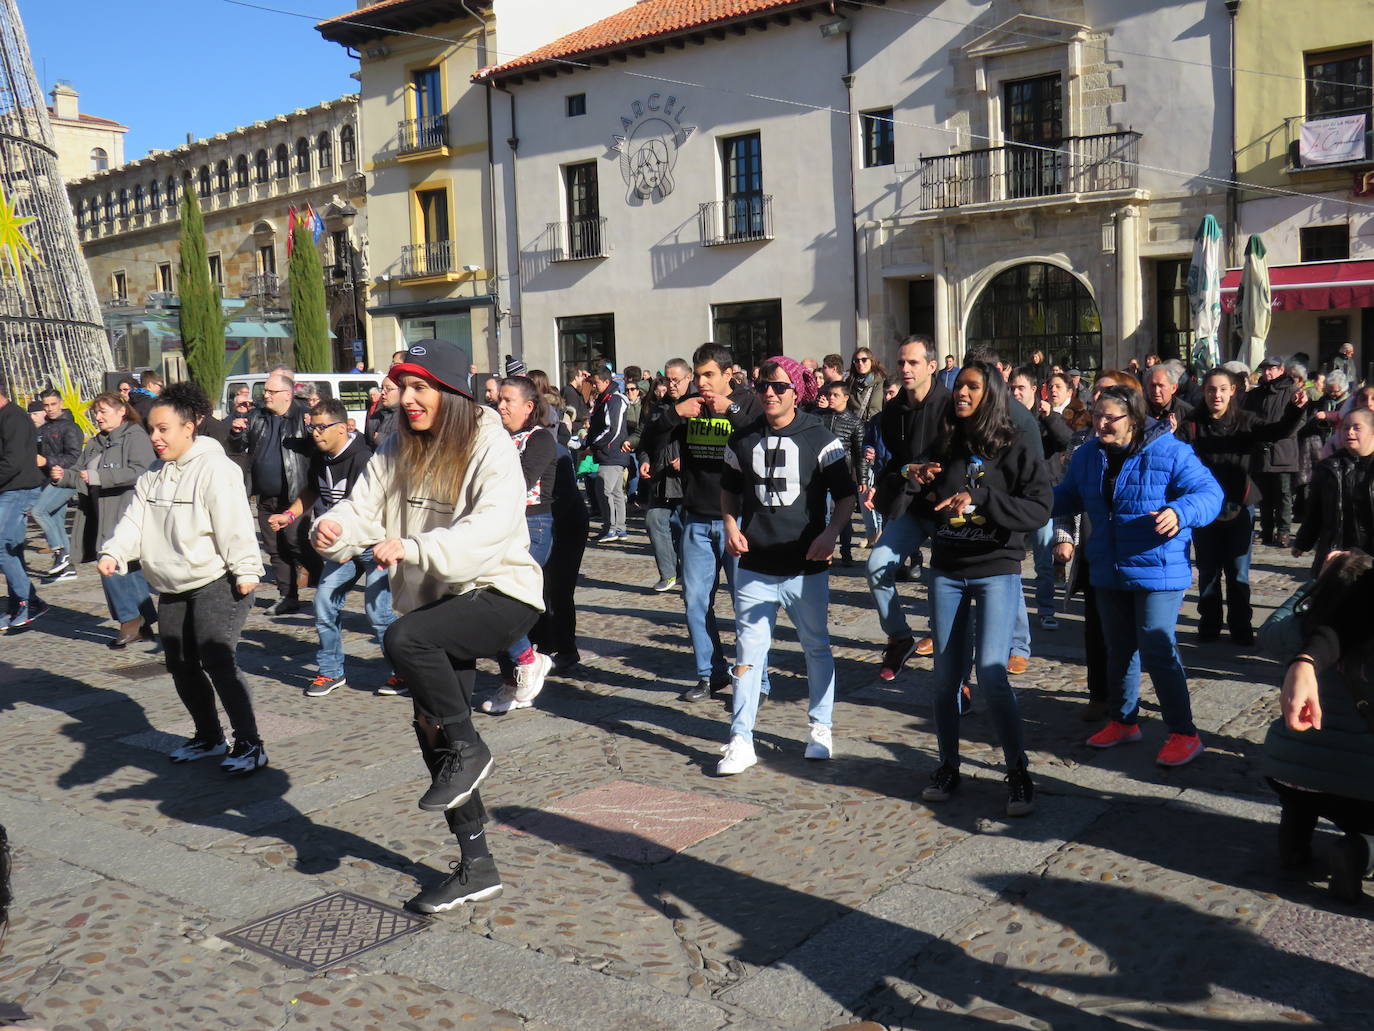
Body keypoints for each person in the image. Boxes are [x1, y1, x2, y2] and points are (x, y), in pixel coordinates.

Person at [312, 339, 544, 914]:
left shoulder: (488, 442)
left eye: (421, 388)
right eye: (402, 387)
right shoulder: (395, 446)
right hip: (440, 602)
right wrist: (332, 528)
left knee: (403, 638)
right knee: (430, 728)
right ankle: (476, 864)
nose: (408, 399)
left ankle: (471, 746)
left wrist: (414, 546)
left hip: (501, 589)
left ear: (452, 392)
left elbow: (491, 528)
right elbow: (362, 507)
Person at [98, 382, 268, 774]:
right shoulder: (153, 476)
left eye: (164, 429)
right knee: (180, 663)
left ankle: (249, 743)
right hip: (172, 586)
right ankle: (209, 737)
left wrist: (246, 569)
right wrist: (114, 552)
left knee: (218, 659)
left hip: (219, 580)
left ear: (189, 427)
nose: (156, 438)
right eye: (152, 430)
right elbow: (134, 523)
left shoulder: (215, 469)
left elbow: (235, 524)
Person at [1055, 383, 1222, 766]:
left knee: (1157, 646)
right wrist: (1023, 503)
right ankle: (1124, 721)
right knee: (1119, 650)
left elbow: (1209, 493)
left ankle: (1184, 732)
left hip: (1158, 566)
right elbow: (1067, 496)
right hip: (1109, 565)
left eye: (1109, 418)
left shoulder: (1169, 450)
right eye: (1096, 416)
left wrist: (1180, 512)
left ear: (1133, 418)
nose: (1100, 425)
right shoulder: (1088, 456)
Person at [915, 359, 1052, 815]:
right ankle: (948, 765)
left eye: (972, 386)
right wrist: (912, 480)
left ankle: (1018, 773)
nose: (961, 393)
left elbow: (1039, 508)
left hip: (997, 568)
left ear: (990, 392)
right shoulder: (946, 437)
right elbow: (924, 502)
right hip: (948, 569)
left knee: (992, 673)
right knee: (944, 679)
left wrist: (984, 497)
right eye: (958, 386)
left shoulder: (1014, 440)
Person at [716, 356, 856, 775]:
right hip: (755, 564)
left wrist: (831, 533)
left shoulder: (820, 436)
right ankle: (740, 739)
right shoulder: (742, 438)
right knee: (747, 652)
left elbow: (846, 494)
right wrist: (729, 524)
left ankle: (820, 727)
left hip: (805, 565)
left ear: (797, 391)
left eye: (778, 387)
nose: (769, 393)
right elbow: (728, 490)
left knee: (815, 645)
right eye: (762, 386)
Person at [641, 342, 764, 702]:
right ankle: (710, 674)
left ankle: (757, 678)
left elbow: (764, 436)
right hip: (695, 519)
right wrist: (675, 414)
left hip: (739, 520)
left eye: (709, 375)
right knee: (695, 601)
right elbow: (648, 439)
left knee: (747, 604)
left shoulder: (750, 402)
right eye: (698, 376)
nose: (702, 382)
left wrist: (732, 410)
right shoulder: (689, 407)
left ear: (729, 374)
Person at [264, 399, 396, 698]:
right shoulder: (319, 454)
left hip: (371, 542)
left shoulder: (364, 458)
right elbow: (312, 489)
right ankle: (331, 671)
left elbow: (367, 507)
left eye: (323, 427)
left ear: (343, 427)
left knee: (378, 611)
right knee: (324, 601)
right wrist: (288, 515)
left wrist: (350, 537)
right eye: (312, 426)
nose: (316, 433)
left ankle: (402, 670)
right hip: (339, 546)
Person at [1267, 549, 1374, 902]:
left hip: (1287, 772)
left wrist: (1314, 583)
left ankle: (1293, 846)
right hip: (1357, 786)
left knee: (1301, 795)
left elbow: (1267, 631)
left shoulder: (1297, 628)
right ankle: (1359, 851)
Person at [1180, 367, 1308, 643]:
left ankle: (1241, 627)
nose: (1217, 395)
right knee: (1208, 569)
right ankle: (1209, 624)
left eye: (1223, 389)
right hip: (1204, 507)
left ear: (1232, 391)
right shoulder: (1191, 424)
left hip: (1241, 503)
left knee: (1238, 571)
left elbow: (1279, 431)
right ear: (1204, 391)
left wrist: (1295, 411)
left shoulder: (1246, 422)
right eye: (1211, 389)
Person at [865, 335, 951, 680]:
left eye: (913, 362)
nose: (905, 369)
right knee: (876, 566)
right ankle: (899, 637)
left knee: (944, 587)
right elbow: (892, 464)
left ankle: (954, 672)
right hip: (910, 507)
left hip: (945, 507)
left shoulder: (950, 405)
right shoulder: (893, 410)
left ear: (932, 366)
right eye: (901, 362)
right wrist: (905, 471)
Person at [51, 392, 158, 648]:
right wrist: (61, 475)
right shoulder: (98, 441)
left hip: (125, 511)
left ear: (122, 411)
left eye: (103, 411)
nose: (98, 417)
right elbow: (80, 472)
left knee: (110, 564)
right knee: (128, 569)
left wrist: (100, 477)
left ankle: (129, 621)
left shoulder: (135, 435)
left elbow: (142, 470)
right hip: (98, 511)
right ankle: (143, 622)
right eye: (96, 412)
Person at [480, 376, 559, 714]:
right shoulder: (495, 438)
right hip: (497, 524)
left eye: (508, 400)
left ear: (529, 407)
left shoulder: (539, 438)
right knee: (484, 598)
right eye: (499, 400)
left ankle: (528, 661)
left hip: (532, 525)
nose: (501, 406)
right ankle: (513, 678)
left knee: (505, 600)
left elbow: (521, 481)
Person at [229, 367, 317, 615]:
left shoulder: (304, 416)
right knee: (274, 547)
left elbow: (320, 445)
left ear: (287, 394)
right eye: (264, 390)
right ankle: (287, 596)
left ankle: (323, 578)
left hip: (296, 494)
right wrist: (236, 431)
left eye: (270, 390)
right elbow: (239, 445)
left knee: (294, 541)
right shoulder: (257, 416)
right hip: (265, 496)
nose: (265, 395)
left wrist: (313, 429)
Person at [529, 387, 588, 674]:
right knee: (537, 587)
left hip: (566, 524)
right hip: (547, 522)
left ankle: (566, 649)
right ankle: (541, 641)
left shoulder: (556, 451)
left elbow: (563, 500)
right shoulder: (525, 446)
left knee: (559, 590)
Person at [1009, 367, 1068, 630]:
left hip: (1042, 498)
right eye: (1012, 388)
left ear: (1034, 390)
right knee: (1011, 559)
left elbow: (1066, 440)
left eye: (1020, 388)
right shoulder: (1008, 418)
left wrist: (1051, 417)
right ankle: (1013, 613)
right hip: (1014, 497)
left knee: (1044, 559)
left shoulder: (1046, 417)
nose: (1015, 393)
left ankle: (1045, 609)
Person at [1293, 409, 1374, 578]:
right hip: (1335, 549)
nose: (1349, 432)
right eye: (1345, 428)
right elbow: (1315, 510)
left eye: (1356, 427)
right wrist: (1303, 542)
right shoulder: (1328, 467)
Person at [0, 378, 48, 631]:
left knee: (2, 546)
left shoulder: (14, 418)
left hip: (18, 489)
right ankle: (22, 602)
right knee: (11, 549)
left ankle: (27, 602)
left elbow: (14, 462)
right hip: (8, 489)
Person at [639, 359, 689, 591]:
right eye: (667, 380)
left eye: (675, 380)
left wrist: (688, 459)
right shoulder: (659, 407)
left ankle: (690, 574)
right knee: (654, 519)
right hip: (661, 477)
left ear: (688, 378)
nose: (671, 385)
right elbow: (646, 440)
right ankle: (669, 574)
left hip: (688, 481)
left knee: (686, 530)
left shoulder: (698, 404)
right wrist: (645, 460)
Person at [27, 388, 84, 580]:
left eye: (53, 404)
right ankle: (67, 567)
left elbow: (75, 456)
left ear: (61, 403)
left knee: (39, 511)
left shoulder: (70, 427)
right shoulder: (43, 430)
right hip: (50, 480)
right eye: (46, 405)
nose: (50, 408)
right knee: (56, 518)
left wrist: (47, 462)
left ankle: (60, 552)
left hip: (67, 478)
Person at [1246, 356, 1302, 547]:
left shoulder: (1292, 390)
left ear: (1281, 370)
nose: (1268, 373)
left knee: (1283, 494)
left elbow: (1299, 420)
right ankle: (1267, 530)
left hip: (1283, 450)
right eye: (1265, 369)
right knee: (1263, 494)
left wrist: (1279, 434)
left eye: (1272, 369)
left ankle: (1284, 532)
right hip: (1261, 451)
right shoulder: (1256, 393)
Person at [817, 381, 865, 566]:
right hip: (820, 472)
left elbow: (860, 453)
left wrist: (862, 478)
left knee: (843, 515)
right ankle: (824, 550)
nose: (831, 398)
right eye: (829, 395)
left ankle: (846, 552)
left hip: (843, 472)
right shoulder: (819, 417)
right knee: (823, 513)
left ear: (846, 397)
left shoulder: (854, 422)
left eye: (835, 395)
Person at [587, 367, 632, 543]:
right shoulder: (606, 398)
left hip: (611, 453)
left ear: (606, 382)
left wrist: (594, 445)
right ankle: (618, 528)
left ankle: (612, 528)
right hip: (610, 452)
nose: (594, 386)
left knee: (605, 491)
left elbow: (612, 429)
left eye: (596, 383)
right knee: (614, 492)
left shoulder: (614, 400)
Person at [1144, 360, 1192, 432]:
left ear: (1173, 388)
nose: (1156, 391)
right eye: (1153, 386)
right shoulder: (1138, 410)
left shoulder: (1187, 414)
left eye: (1161, 386)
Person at [846, 348, 888, 424]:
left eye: (864, 360)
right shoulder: (850, 383)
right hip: (856, 429)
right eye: (856, 361)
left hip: (875, 427)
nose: (860, 363)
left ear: (871, 361)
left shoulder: (882, 382)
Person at [366, 376, 399, 448]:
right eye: (382, 389)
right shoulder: (376, 415)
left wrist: (382, 439)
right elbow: (368, 440)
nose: (383, 393)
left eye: (388, 389)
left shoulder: (407, 417)